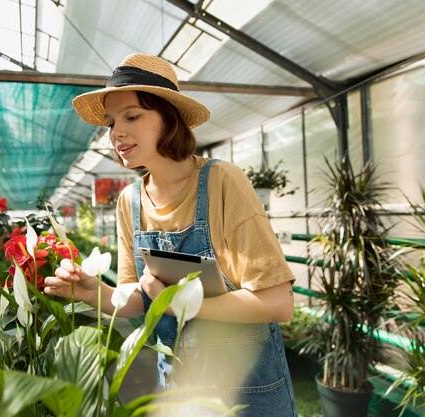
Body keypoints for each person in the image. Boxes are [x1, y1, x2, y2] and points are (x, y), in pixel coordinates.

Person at [44, 53, 298, 416]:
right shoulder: (129, 201)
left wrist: (183, 306)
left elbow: (277, 303)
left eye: (132, 116)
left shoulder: (222, 182)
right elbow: (138, 297)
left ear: (170, 119)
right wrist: (95, 292)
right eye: (112, 122)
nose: (116, 132)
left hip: (246, 390)